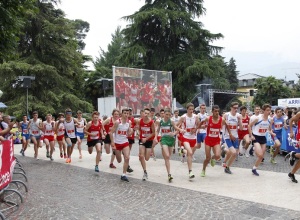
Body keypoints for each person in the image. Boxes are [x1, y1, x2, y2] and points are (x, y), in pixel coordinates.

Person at [155, 108, 181, 182]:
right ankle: (169, 174)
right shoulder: (160, 122)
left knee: (168, 156)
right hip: (164, 139)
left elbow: (176, 129)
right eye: (166, 114)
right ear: (164, 114)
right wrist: (155, 137)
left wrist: (174, 133)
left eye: (169, 115)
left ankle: (168, 172)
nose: (167, 116)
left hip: (171, 140)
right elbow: (157, 131)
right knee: (166, 156)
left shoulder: (171, 121)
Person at [199, 105, 225, 177]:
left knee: (217, 155)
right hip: (208, 140)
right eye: (215, 111)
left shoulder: (221, 119)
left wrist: (230, 134)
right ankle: (203, 170)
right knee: (207, 158)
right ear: (212, 112)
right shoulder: (208, 118)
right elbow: (201, 122)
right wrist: (198, 128)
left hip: (216, 140)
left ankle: (213, 159)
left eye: (218, 111)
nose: (217, 112)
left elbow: (227, 126)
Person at [248, 104, 273, 176]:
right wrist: (251, 135)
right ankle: (254, 148)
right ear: (263, 111)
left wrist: (271, 133)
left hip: (263, 138)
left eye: (270, 110)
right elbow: (249, 126)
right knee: (260, 154)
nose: (269, 112)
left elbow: (269, 129)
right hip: (256, 137)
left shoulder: (270, 119)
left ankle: (254, 168)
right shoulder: (258, 118)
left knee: (261, 156)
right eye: (267, 110)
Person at [177, 103, 200, 179]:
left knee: (190, 153)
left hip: (193, 137)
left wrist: (196, 129)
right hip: (185, 137)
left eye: (192, 109)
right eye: (189, 109)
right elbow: (176, 125)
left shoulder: (196, 117)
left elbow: (199, 125)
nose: (191, 111)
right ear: (187, 109)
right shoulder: (183, 117)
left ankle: (182, 150)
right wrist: (180, 130)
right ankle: (190, 171)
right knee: (190, 153)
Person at [110, 108, 133, 182]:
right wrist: (112, 142)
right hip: (117, 143)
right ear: (122, 114)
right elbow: (111, 132)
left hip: (125, 142)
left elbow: (129, 133)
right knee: (119, 160)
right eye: (125, 113)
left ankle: (123, 174)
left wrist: (132, 131)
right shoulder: (117, 122)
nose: (126, 115)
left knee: (127, 158)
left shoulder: (129, 122)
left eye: (127, 113)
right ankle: (115, 153)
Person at [135, 108, 155, 181]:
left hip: (149, 140)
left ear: (149, 114)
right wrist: (138, 133)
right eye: (145, 113)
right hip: (142, 140)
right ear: (143, 114)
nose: (146, 115)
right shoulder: (140, 121)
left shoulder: (151, 122)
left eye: (147, 113)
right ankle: (145, 172)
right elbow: (139, 129)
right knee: (141, 156)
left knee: (147, 158)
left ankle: (149, 154)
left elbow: (153, 133)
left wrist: (146, 138)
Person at [127, 108, 135, 173]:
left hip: (131, 138)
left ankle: (127, 165)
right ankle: (127, 165)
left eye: (130, 114)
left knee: (128, 152)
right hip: (124, 138)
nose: (129, 115)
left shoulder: (133, 120)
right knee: (126, 152)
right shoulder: (124, 120)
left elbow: (136, 127)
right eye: (128, 114)